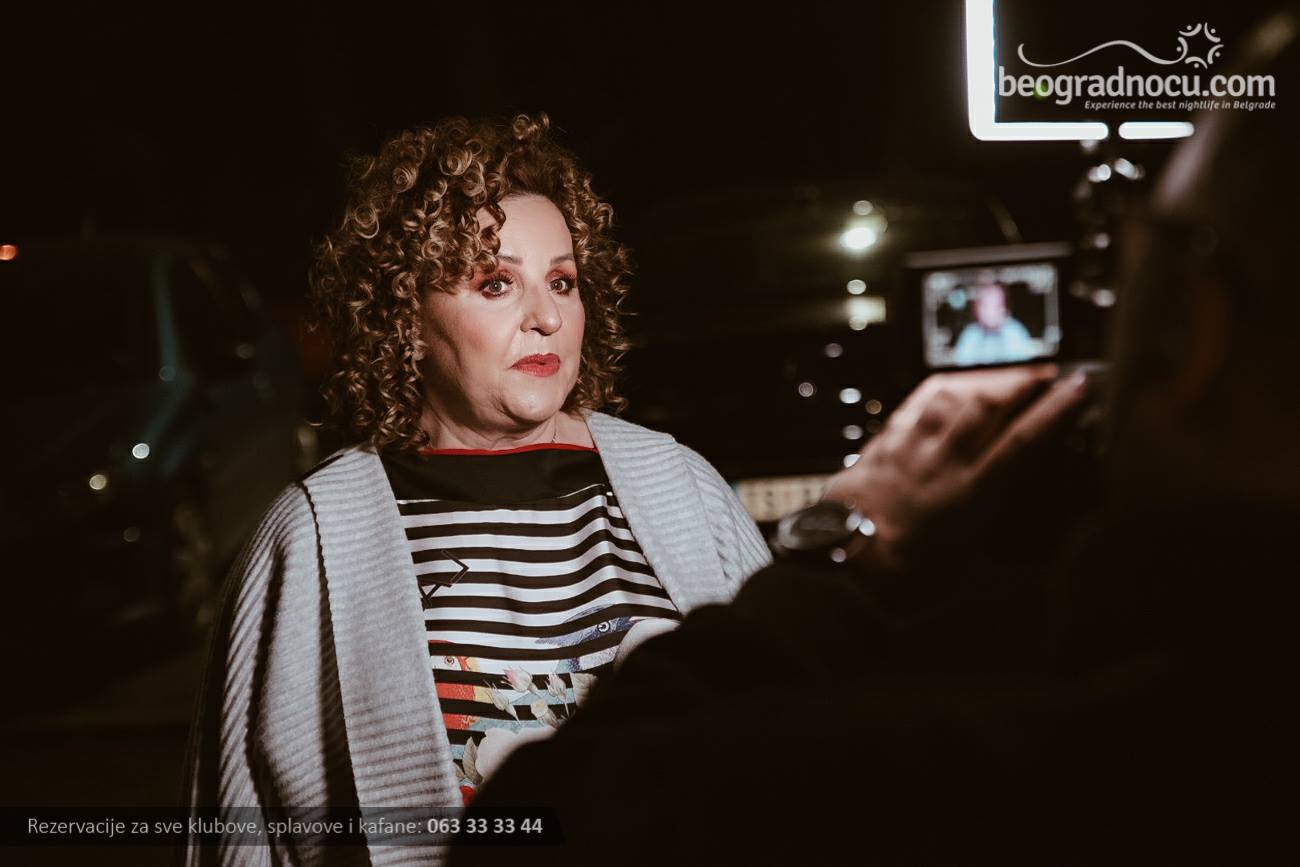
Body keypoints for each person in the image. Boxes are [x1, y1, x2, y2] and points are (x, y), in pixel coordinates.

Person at [452, 14, 1300, 866]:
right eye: (495, 282)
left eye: (1151, 257)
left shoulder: (953, 771)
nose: (544, 316)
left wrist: (844, 548)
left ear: (1195, 327)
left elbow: (550, 821)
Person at [181, 114, 775, 865]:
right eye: (496, 283)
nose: (547, 317)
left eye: (562, 281)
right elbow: (239, 829)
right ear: (405, 317)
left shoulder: (680, 485)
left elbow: (797, 747)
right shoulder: (318, 531)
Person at [951, 275, 1037, 366]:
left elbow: (1025, 367)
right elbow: (961, 365)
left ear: (1004, 308)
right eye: (985, 306)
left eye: (995, 305)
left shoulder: (1015, 331)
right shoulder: (970, 334)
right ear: (977, 309)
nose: (990, 312)